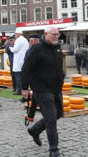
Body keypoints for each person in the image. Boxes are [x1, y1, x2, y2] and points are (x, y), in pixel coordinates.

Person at [22, 26, 64, 157]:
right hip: (41, 88)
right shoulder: (36, 49)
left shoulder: (57, 48)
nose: (56, 37)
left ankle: (35, 130)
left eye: (58, 35)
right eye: (53, 34)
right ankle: (54, 150)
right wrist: (24, 88)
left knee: (58, 114)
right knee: (51, 119)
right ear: (46, 34)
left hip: (56, 88)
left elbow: (59, 67)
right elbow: (26, 69)